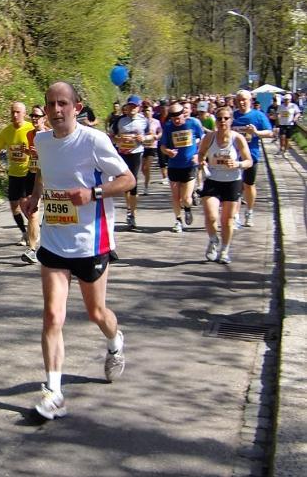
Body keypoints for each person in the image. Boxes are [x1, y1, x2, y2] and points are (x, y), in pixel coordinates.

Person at [22, 81, 135, 419]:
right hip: (55, 240)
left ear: (76, 106)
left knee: (96, 313)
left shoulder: (94, 140)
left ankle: (115, 343)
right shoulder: (41, 140)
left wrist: (94, 193)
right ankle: (54, 392)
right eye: (51, 104)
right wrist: (35, 196)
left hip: (91, 241)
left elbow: (127, 179)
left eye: (63, 104)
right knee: (53, 316)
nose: (57, 110)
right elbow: (43, 171)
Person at [197, 107, 253, 264]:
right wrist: (201, 160)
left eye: (226, 118)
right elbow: (200, 153)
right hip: (213, 179)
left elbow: (249, 161)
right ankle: (213, 240)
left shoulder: (238, 139)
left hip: (232, 181)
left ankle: (225, 250)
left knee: (227, 219)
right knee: (211, 215)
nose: (223, 121)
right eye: (220, 118)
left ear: (231, 120)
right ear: (215, 120)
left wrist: (237, 163)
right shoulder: (209, 138)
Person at [0, 102, 36, 248]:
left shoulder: (31, 128)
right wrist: (1, 154)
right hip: (13, 173)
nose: (15, 115)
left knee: (25, 205)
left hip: (28, 172)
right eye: (12, 112)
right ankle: (25, 232)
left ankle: (33, 230)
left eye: (18, 112)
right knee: (14, 206)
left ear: (24, 114)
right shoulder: (6, 131)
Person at [160, 102, 204, 232]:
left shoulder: (193, 123)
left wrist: (199, 155)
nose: (177, 121)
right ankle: (178, 220)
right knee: (175, 197)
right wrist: (167, 152)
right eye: (173, 119)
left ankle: (188, 208)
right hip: (174, 166)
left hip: (189, 165)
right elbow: (162, 146)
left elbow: (204, 140)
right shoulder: (168, 127)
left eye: (178, 118)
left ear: (184, 114)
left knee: (186, 198)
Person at [232, 89, 273, 227]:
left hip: (251, 156)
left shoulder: (258, 116)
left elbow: (269, 133)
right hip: (233, 157)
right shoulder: (232, 116)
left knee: (248, 185)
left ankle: (249, 211)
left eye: (244, 99)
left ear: (250, 101)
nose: (242, 102)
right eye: (239, 100)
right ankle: (235, 215)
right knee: (236, 186)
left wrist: (256, 132)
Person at [112, 95, 151, 228]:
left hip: (136, 153)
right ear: (126, 107)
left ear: (139, 107)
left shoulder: (144, 121)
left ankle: (132, 214)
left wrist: (144, 138)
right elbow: (111, 136)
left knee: (133, 183)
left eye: (134, 106)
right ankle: (129, 208)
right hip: (122, 154)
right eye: (130, 106)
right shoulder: (120, 121)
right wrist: (118, 140)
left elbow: (152, 135)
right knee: (124, 183)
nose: (132, 108)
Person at [21, 104, 49, 264]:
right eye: (32, 115)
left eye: (37, 116)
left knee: (51, 214)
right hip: (34, 174)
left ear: (44, 118)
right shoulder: (30, 134)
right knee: (32, 211)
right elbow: (33, 156)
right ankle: (32, 249)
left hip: (50, 176)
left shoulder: (50, 135)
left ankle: (45, 243)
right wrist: (28, 153)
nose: (34, 118)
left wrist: (39, 154)